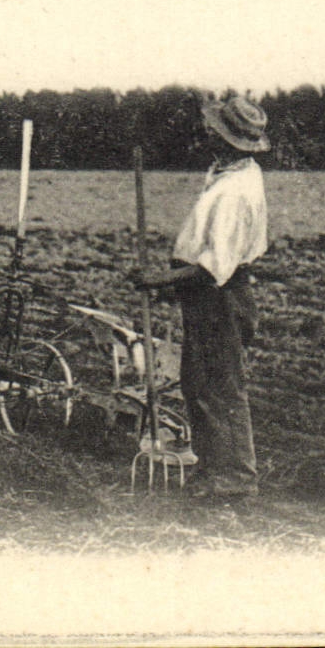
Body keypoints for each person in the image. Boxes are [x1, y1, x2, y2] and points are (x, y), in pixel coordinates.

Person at [134, 95, 269, 500]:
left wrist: (158, 281)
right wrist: (170, 282)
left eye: (215, 132)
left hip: (220, 298)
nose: (207, 135)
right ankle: (215, 471)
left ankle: (234, 478)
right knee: (201, 384)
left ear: (229, 141)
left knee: (218, 388)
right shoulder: (230, 172)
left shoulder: (235, 193)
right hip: (212, 295)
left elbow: (213, 267)